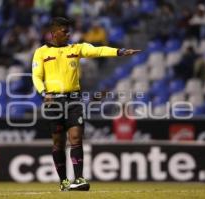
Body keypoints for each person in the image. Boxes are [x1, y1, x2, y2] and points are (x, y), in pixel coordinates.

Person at [32, 17, 141, 191]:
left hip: (74, 99)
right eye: (64, 31)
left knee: (76, 138)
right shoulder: (41, 52)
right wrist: (44, 93)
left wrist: (119, 52)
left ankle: (79, 179)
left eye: (69, 31)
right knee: (58, 143)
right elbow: (36, 76)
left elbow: (98, 51)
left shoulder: (76, 48)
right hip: (53, 101)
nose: (68, 34)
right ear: (54, 33)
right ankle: (64, 181)